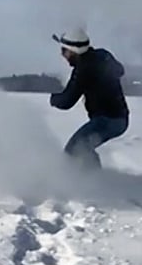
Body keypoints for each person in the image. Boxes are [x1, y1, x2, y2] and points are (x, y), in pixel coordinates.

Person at [49, 27, 129, 169]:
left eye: (64, 51)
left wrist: (53, 98)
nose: (63, 56)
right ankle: (94, 179)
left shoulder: (83, 69)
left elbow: (67, 101)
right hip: (121, 119)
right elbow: (119, 70)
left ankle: (93, 183)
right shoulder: (103, 55)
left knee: (74, 150)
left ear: (74, 51)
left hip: (106, 121)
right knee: (84, 148)